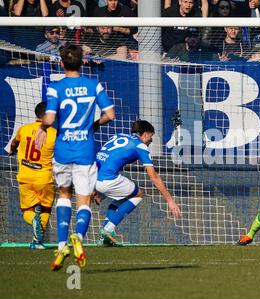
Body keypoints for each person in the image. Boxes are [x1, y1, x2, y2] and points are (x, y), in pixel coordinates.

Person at [34, 44, 116, 271]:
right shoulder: (93, 84)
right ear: (82, 62)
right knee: (84, 199)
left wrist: (42, 130)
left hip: (62, 150)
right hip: (85, 150)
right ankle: (77, 237)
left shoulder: (55, 87)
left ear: (61, 63)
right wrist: (93, 125)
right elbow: (110, 114)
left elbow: (49, 118)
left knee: (63, 194)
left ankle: (61, 245)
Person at [94, 120, 182, 246]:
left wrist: (96, 190)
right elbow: (154, 177)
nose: (150, 142)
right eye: (151, 138)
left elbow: (106, 160)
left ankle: (104, 239)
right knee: (139, 194)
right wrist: (170, 201)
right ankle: (108, 229)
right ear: (145, 134)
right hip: (107, 180)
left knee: (121, 199)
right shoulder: (140, 146)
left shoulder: (118, 136)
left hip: (92, 177)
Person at [8, 102, 57, 250]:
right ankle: (37, 240)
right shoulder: (54, 134)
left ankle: (36, 236)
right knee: (46, 210)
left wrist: (12, 150)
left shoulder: (23, 129)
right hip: (45, 179)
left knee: (27, 211)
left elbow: (14, 143)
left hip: (25, 178)